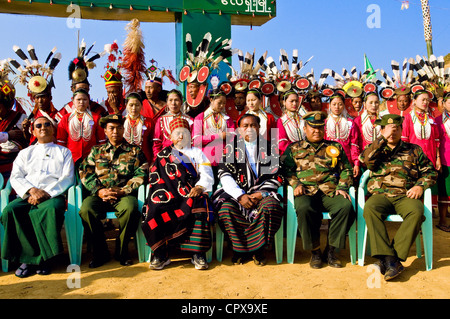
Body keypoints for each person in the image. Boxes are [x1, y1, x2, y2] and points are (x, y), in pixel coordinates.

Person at [359, 114, 437, 281]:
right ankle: (391, 260)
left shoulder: (414, 149)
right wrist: (382, 140)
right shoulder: (374, 148)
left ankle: (390, 258)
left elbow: (430, 171)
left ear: (402, 130)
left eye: (396, 129)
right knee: (370, 209)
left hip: (405, 194)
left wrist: (420, 185)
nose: (392, 133)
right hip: (381, 194)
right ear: (381, 130)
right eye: (388, 129)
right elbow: (366, 161)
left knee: (416, 212)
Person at [280, 111, 356, 269]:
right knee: (303, 207)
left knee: (345, 207)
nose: (317, 131)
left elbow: (346, 170)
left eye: (320, 127)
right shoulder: (294, 148)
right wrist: (295, 184)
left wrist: (342, 186)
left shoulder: (334, 147)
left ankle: (331, 250)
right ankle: (315, 251)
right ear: (305, 127)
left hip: (330, 190)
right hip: (306, 191)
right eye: (313, 127)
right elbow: (286, 170)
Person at [1, 116, 74, 277]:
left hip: (52, 195)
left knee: (50, 210)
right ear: (33, 130)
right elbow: (16, 176)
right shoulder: (25, 153)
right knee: (10, 211)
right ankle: (28, 258)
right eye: (38, 125)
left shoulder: (64, 152)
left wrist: (45, 193)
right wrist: (31, 190)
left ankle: (45, 259)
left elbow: (67, 178)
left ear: (53, 129)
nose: (43, 127)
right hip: (28, 195)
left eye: (47, 124)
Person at [142, 117, 214, 270]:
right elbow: (156, 179)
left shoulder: (198, 153)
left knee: (199, 205)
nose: (181, 136)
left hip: (191, 192)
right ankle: (160, 254)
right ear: (171, 137)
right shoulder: (162, 155)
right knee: (155, 208)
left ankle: (198, 253)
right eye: (177, 133)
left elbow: (206, 174)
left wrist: (200, 187)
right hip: (167, 194)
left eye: (185, 133)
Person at [212, 114, 284, 266]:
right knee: (225, 209)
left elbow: (278, 175)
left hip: (262, 192)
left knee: (271, 207)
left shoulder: (270, 148)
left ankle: (259, 249)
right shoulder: (231, 148)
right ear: (239, 129)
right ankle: (240, 250)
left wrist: (260, 194)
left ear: (259, 128)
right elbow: (224, 175)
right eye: (245, 126)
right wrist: (240, 196)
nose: (249, 129)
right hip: (237, 193)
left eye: (253, 126)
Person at [78, 114, 148, 268]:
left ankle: (121, 251)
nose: (115, 131)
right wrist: (99, 191)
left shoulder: (134, 151)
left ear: (124, 129)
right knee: (86, 209)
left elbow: (142, 173)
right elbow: (85, 172)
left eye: (119, 128)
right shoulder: (96, 151)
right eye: (111, 128)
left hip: (123, 195)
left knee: (131, 209)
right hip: (100, 195)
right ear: (105, 131)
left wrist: (124, 190)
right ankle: (100, 252)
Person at [192, 88, 235, 186]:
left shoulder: (227, 119)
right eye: (219, 102)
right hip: (205, 160)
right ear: (211, 100)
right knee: (206, 188)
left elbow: (232, 139)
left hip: (223, 161)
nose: (222, 106)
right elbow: (196, 140)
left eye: (224, 103)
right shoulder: (200, 117)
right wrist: (218, 136)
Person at [56, 88, 106, 166]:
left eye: (84, 99)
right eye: (78, 99)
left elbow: (101, 141)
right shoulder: (66, 118)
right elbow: (61, 141)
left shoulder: (96, 117)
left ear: (88, 101)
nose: (81, 102)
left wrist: (99, 157)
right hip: (71, 158)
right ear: (73, 101)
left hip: (91, 158)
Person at [324, 93, 361, 179]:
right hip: (327, 161)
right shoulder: (325, 123)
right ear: (330, 105)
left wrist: (356, 163)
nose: (337, 107)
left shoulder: (350, 123)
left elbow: (354, 145)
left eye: (340, 104)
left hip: (346, 161)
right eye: (334, 104)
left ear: (344, 105)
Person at [0, 73, 28, 181]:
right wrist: (8, 135)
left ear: (6, 105)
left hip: (14, 166)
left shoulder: (20, 118)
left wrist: (25, 132)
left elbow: (29, 141)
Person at [152, 89, 192, 162]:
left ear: (181, 102)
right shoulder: (161, 120)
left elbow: (192, 142)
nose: (173, 103)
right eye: (170, 100)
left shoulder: (189, 120)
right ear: (167, 102)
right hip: (165, 157)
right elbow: (157, 144)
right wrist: (158, 159)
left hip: (184, 157)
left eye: (176, 100)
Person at [434, 91, 450, 232]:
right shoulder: (438, 120)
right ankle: (443, 220)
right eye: (449, 102)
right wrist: (438, 158)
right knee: (444, 191)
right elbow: (436, 141)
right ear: (443, 104)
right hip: (445, 159)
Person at [123, 92, 153, 163]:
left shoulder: (148, 122)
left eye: (137, 105)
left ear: (141, 105)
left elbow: (153, 144)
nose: (134, 108)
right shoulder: (121, 121)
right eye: (131, 105)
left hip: (144, 160)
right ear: (126, 105)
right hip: (124, 160)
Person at [277, 89, 305, 154]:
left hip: (306, 153)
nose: (294, 103)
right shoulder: (281, 121)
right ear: (284, 102)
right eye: (291, 101)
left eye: (296, 101)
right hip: (289, 155)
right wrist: (297, 150)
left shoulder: (303, 119)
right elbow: (281, 143)